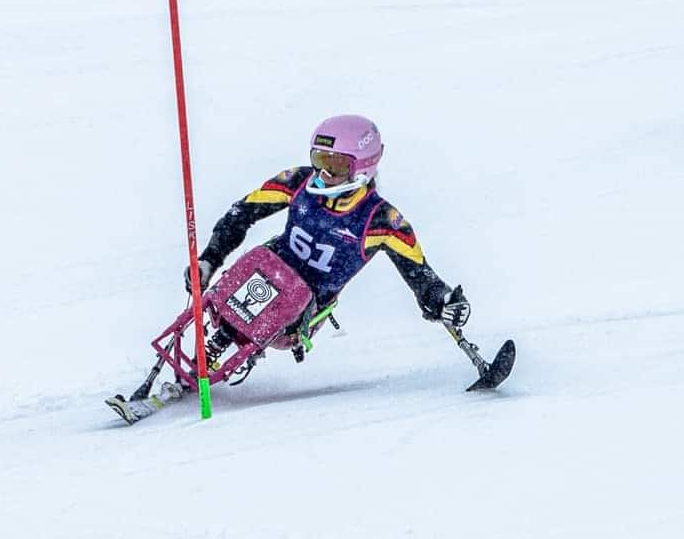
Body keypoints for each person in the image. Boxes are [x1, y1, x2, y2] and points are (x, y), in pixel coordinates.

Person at [185, 114, 471, 362]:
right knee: (259, 257)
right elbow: (242, 213)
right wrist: (209, 260)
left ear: (362, 168)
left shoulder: (381, 221)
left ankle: (218, 356)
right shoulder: (298, 182)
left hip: (304, 311)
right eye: (319, 160)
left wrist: (444, 301)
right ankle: (193, 349)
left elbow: (420, 274)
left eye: (335, 166)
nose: (323, 173)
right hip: (264, 274)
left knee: (291, 292)